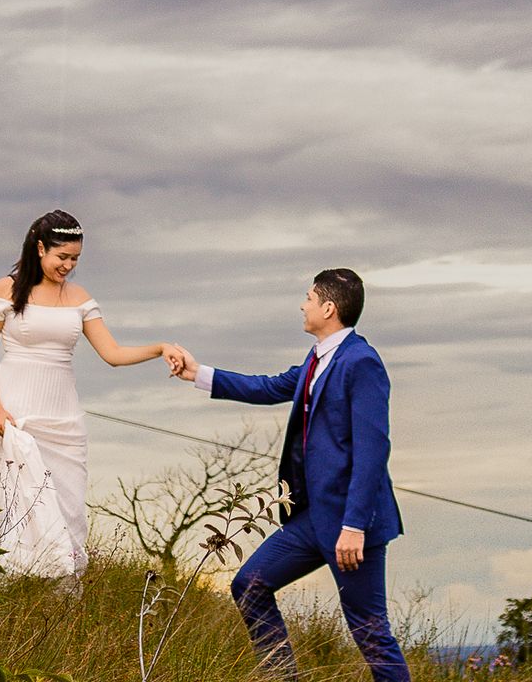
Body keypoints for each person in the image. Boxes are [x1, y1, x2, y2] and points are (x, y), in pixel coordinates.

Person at [174, 267, 409, 682]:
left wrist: (354, 526)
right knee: (249, 585)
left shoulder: (362, 362)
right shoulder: (317, 358)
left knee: (370, 633)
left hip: (351, 528)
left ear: (329, 308)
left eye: (309, 298)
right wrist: (199, 373)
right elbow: (267, 388)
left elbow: (373, 451)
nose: (303, 305)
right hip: (311, 521)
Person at [0, 209, 188, 575]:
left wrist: (160, 348)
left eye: (75, 259)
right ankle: (4, 587)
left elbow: (113, 355)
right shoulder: (6, 290)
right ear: (40, 248)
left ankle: (57, 593)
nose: (69, 266)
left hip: (63, 417)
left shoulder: (79, 297)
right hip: (15, 411)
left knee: (66, 507)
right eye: (62, 257)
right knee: (12, 503)